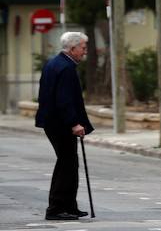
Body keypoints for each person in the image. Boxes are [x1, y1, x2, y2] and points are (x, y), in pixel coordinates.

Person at [35, 32, 94, 221]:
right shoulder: (66, 68)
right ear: (72, 48)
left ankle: (69, 206)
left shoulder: (55, 63)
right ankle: (56, 208)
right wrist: (75, 123)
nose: (85, 52)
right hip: (60, 124)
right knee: (66, 165)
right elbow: (64, 100)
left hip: (54, 123)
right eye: (83, 48)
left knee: (69, 164)